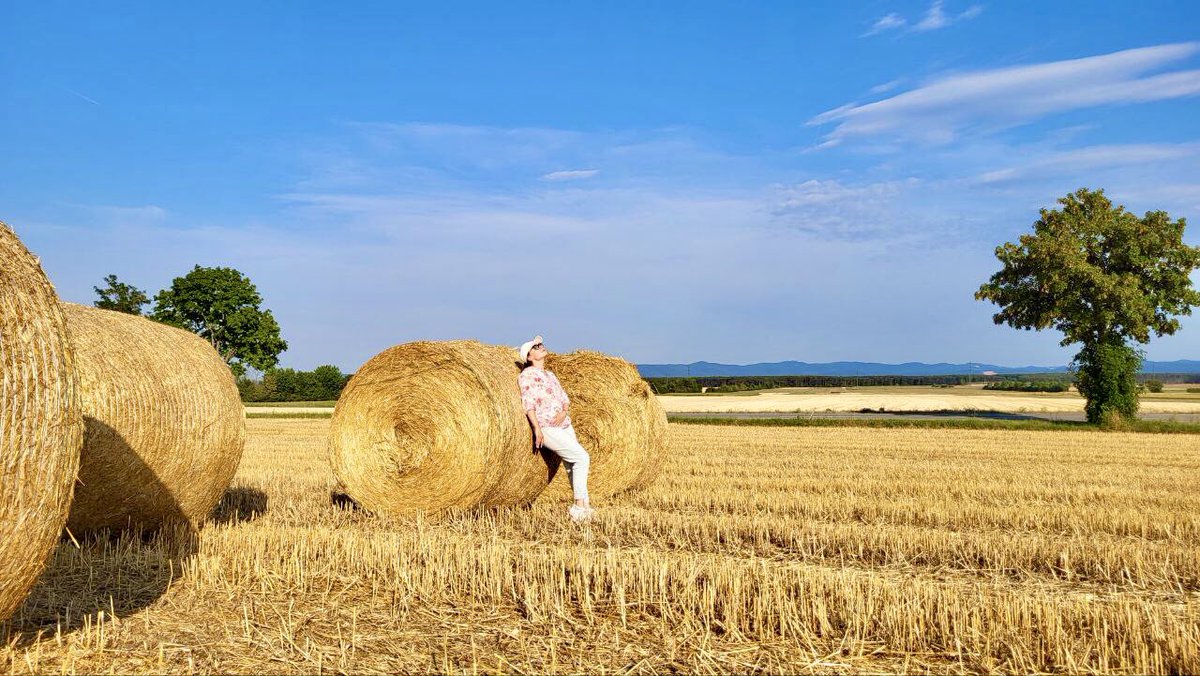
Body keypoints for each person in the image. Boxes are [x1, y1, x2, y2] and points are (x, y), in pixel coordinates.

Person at [518, 335, 594, 523]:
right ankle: (578, 507)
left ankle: (585, 506)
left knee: (572, 465)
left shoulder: (550, 375)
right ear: (529, 356)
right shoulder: (526, 376)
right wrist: (537, 429)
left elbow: (564, 397)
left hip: (565, 424)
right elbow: (528, 403)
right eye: (536, 346)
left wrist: (564, 411)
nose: (541, 346)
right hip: (547, 427)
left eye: (541, 344)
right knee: (582, 457)